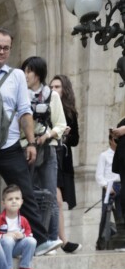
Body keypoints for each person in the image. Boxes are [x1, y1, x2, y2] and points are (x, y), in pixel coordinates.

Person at [0, 27, 60, 256]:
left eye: (6, 48)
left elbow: (25, 111)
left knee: (25, 193)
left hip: (10, 147)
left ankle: (41, 240)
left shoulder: (16, 75)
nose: (1, 52)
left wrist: (31, 143)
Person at [20, 56, 66, 251]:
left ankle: (51, 240)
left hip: (47, 150)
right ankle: (31, 238)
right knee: (27, 195)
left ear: (38, 73)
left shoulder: (51, 96)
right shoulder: (20, 95)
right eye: (24, 70)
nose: (26, 75)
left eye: (29, 71)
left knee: (50, 195)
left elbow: (61, 124)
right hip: (24, 149)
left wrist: (46, 135)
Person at [50, 74, 82, 253]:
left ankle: (60, 239)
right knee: (55, 200)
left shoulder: (70, 112)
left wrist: (66, 135)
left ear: (65, 90)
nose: (54, 90)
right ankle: (59, 239)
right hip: (47, 158)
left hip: (63, 161)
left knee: (58, 201)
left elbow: (76, 140)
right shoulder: (45, 108)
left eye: (58, 87)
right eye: (52, 87)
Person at [0, 184, 38, 269]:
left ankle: (24, 268)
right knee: (8, 240)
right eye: (10, 199)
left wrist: (23, 236)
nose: (14, 201)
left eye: (17, 198)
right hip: (2, 248)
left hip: (16, 248)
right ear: (3, 203)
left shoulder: (23, 220)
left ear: (22, 201)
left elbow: (29, 233)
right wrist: (3, 236)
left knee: (32, 241)